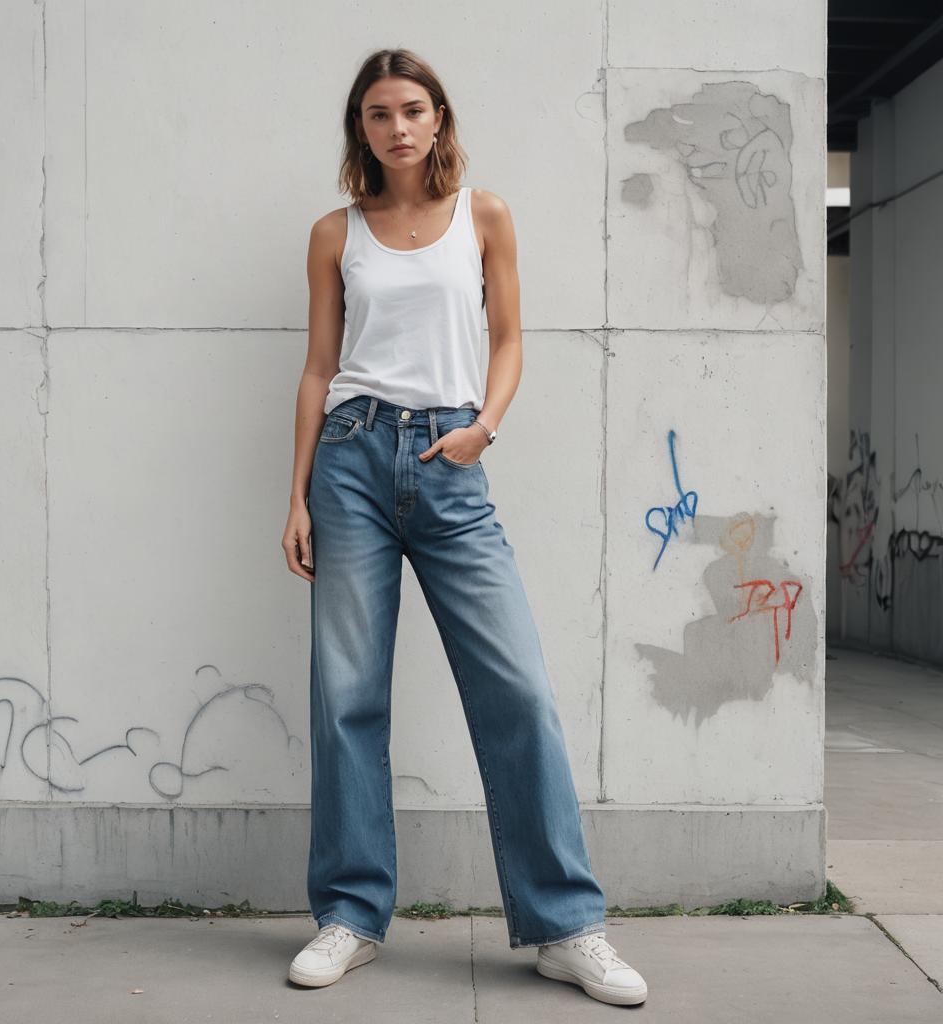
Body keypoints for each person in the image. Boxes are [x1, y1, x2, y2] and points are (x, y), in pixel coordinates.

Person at [280, 48, 648, 1007]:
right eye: (375, 114)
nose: (396, 127)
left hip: (452, 462)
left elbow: (509, 336)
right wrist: (295, 497)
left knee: (517, 689)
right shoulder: (334, 234)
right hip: (352, 460)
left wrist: (485, 427)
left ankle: (567, 926)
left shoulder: (484, 216)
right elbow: (321, 369)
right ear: (359, 131)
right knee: (347, 697)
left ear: (438, 119)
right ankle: (350, 916)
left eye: (411, 109)